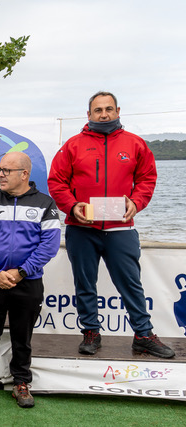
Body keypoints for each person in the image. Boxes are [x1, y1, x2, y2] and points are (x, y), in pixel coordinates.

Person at [48, 91, 175, 359]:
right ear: (89, 114)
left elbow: (147, 179)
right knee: (85, 284)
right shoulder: (72, 145)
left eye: (108, 109)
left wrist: (137, 202)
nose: (104, 114)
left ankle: (143, 335)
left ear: (118, 111)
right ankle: (91, 333)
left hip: (121, 229)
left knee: (131, 284)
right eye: (98, 110)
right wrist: (72, 205)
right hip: (82, 229)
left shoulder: (135, 144)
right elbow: (56, 181)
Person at [0, 152, 60, 408]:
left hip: (28, 282)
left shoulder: (45, 204)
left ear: (24, 174)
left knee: (23, 337)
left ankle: (21, 382)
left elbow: (50, 245)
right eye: (0, 169)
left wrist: (22, 271)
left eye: (6, 170)